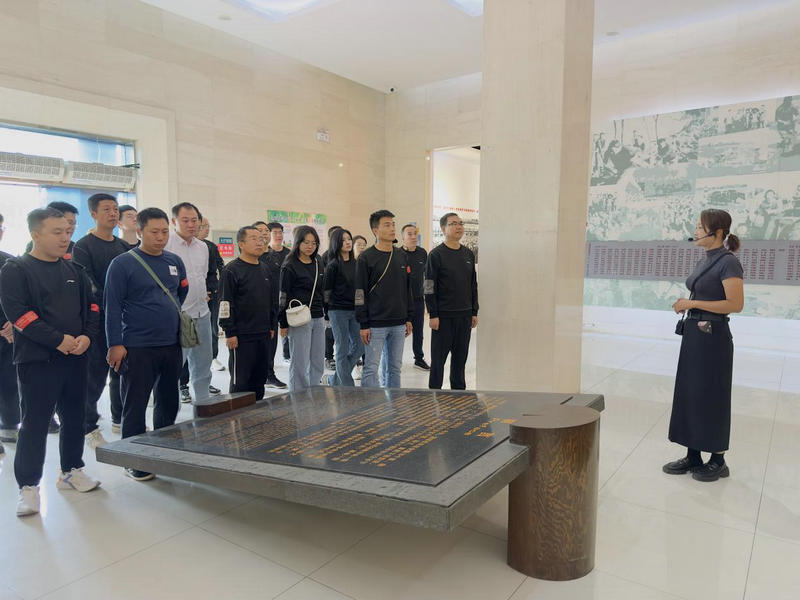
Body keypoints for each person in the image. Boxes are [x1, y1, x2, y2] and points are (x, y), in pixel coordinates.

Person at [0, 208, 101, 517]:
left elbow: (92, 307)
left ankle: (71, 470)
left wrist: (86, 337)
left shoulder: (75, 270)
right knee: (35, 423)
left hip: (76, 357)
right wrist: (58, 340)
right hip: (38, 360)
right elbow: (20, 315)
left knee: (74, 417)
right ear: (35, 234)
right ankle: (29, 487)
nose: (64, 237)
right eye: (57, 232)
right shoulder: (16, 270)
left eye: (67, 231)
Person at [105, 207, 187, 482]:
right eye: (154, 232)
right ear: (139, 231)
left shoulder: (174, 261)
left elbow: (181, 290)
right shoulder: (122, 264)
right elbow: (112, 308)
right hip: (137, 346)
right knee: (135, 404)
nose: (161, 237)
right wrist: (115, 344)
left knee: (168, 399)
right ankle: (134, 460)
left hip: (171, 344)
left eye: (165, 231)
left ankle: (164, 449)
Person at [663, 209, 744, 483]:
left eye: (700, 227)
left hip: (713, 338)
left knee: (712, 395)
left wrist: (692, 303)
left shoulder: (729, 262)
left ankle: (718, 461)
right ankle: (693, 454)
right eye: (696, 226)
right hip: (694, 335)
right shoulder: (705, 259)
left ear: (717, 232)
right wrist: (689, 305)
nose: (696, 231)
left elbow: (735, 304)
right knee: (691, 392)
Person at [72, 193, 130, 444]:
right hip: (97, 321)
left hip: (123, 320)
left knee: (122, 371)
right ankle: (88, 427)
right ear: (94, 214)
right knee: (94, 375)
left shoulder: (123, 247)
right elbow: (88, 285)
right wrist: (113, 303)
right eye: (106, 209)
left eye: (115, 209)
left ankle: (120, 419)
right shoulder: (83, 247)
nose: (113, 213)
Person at [355, 210, 413, 389]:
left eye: (393, 224)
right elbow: (359, 293)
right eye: (387, 225)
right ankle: (370, 403)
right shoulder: (366, 258)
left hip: (399, 322)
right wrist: (363, 323)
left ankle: (394, 402)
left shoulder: (401, 255)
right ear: (375, 230)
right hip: (375, 323)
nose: (392, 228)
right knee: (371, 368)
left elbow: (407, 289)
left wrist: (409, 317)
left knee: (395, 368)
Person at [164, 202, 214, 407]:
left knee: (203, 363)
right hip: (179, 316)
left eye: (195, 220)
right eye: (185, 220)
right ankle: (168, 410)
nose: (191, 225)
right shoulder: (166, 245)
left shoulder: (203, 247)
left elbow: (203, 275)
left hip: (202, 313)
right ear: (174, 221)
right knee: (175, 365)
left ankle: (203, 404)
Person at [219, 226, 275, 399]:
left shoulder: (265, 268)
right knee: (241, 382)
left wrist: (272, 326)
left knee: (259, 379)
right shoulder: (231, 270)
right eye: (254, 239)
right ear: (241, 244)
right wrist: (230, 332)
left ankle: (258, 412)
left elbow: (270, 300)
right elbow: (225, 303)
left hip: (263, 333)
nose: (260, 242)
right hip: (242, 335)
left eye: (262, 239)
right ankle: (238, 415)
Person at [424, 213, 478, 390]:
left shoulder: (468, 254)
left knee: (460, 361)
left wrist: (474, 311)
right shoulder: (436, 255)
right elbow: (428, 286)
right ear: (443, 228)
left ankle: (459, 396)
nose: (459, 227)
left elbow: (472, 285)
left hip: (464, 316)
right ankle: (434, 395)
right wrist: (433, 314)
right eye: (453, 223)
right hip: (443, 317)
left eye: (460, 223)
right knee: (438, 362)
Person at [279, 226, 325, 391]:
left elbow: (321, 290)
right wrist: (283, 323)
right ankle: (298, 395)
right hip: (299, 318)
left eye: (314, 243)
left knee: (318, 360)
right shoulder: (289, 265)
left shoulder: (318, 261)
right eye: (306, 242)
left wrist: (326, 313)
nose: (310, 246)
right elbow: (283, 296)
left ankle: (314, 391)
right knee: (300, 361)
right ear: (298, 242)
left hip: (318, 316)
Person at [323, 228, 363, 386]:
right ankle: (347, 387)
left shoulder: (357, 263)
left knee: (360, 346)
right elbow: (327, 291)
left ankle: (334, 379)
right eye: (343, 240)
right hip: (337, 311)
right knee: (342, 348)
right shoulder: (333, 265)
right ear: (336, 243)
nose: (347, 242)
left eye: (349, 239)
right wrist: (327, 314)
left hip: (354, 311)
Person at [260, 222, 290, 389]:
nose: (278, 235)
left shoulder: (286, 254)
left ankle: (269, 374)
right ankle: (262, 375)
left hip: (280, 302)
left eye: (280, 232)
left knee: (273, 341)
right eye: (274, 232)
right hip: (263, 303)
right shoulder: (260, 255)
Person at [0, 213, 20, 451]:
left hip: (9, 332)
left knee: (8, 380)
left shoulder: (10, 262)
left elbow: (21, 297)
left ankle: (9, 425)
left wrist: (13, 322)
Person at [198, 216, 226, 372]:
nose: (207, 229)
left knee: (213, 327)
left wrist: (221, 287)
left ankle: (213, 357)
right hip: (195, 294)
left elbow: (221, 266)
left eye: (208, 226)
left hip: (213, 291)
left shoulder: (211, 246)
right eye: (204, 226)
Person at [401, 224, 430, 371]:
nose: (413, 237)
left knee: (418, 332)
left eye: (415, 234)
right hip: (401, 301)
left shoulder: (422, 253)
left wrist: (428, 299)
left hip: (418, 299)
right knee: (400, 332)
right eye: (409, 234)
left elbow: (427, 277)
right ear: (403, 237)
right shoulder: (398, 254)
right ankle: (396, 359)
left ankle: (418, 358)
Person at [321, 225, 342, 371]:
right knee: (330, 332)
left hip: (345, 302)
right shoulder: (326, 256)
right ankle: (328, 356)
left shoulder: (347, 255)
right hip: (331, 301)